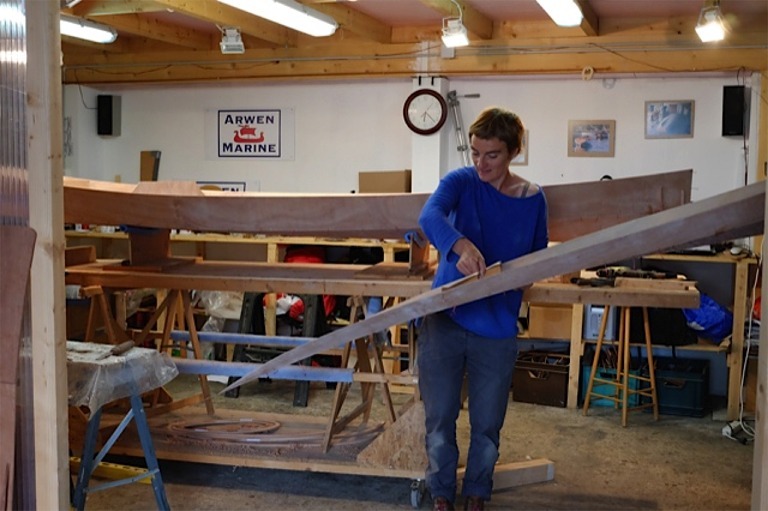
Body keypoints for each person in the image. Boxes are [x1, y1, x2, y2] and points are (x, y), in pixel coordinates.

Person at [417, 107, 549, 511]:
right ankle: (441, 495)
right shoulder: (461, 181)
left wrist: (522, 277)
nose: (480, 163)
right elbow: (429, 215)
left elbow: (538, 253)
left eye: (491, 155)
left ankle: (477, 494)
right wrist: (459, 245)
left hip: (497, 327)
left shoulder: (532, 198)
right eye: (474, 153)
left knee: (487, 426)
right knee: (439, 419)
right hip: (446, 320)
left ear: (513, 153)